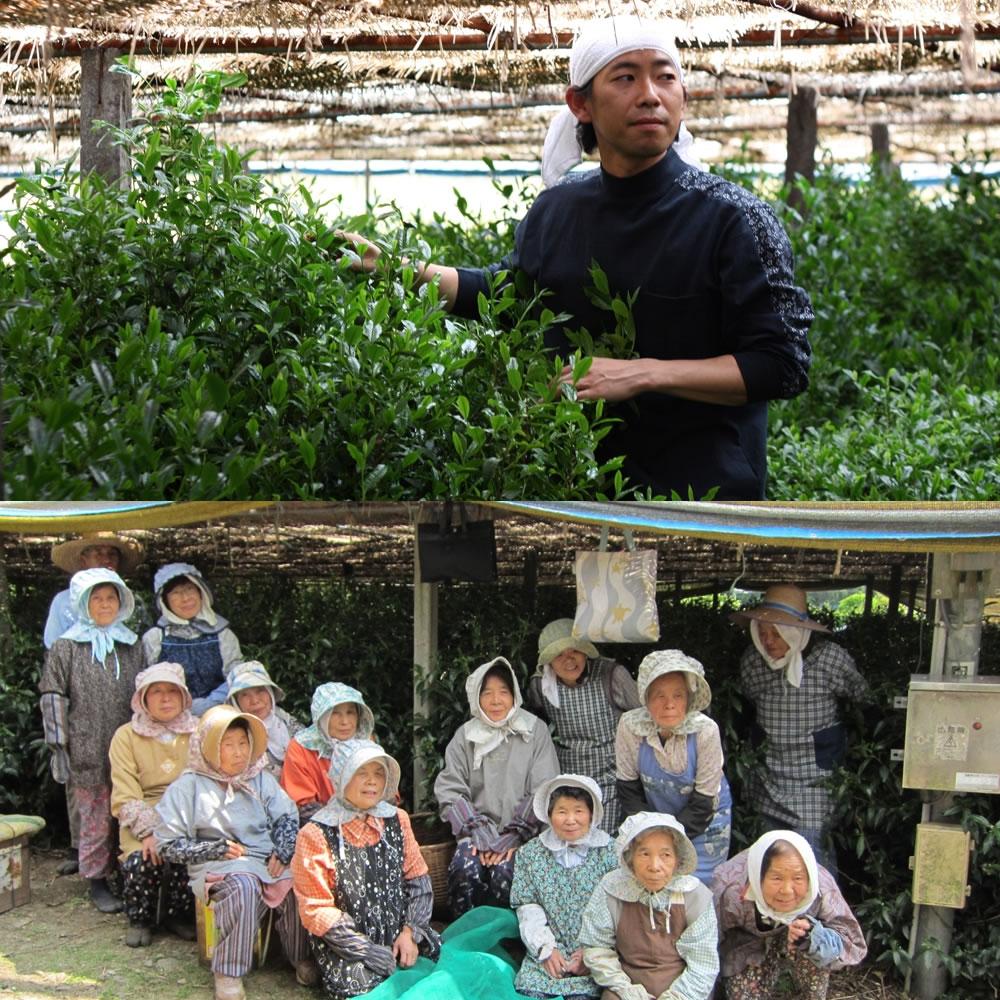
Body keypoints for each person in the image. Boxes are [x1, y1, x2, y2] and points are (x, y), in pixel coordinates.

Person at [338, 15, 812, 499]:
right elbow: (511, 293)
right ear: (580, 103)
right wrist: (391, 269)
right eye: (626, 77)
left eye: (665, 76)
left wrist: (641, 373)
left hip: (704, 502)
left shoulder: (736, 219)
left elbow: (782, 364)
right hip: (579, 492)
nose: (650, 94)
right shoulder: (558, 208)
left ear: (683, 97)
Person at [154, 704, 314, 1000]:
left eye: (243, 743)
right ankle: (228, 972)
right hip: (217, 863)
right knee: (243, 886)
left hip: (264, 858)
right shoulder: (188, 786)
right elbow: (168, 845)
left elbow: (286, 816)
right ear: (210, 747)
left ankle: (300, 957)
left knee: (297, 881)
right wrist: (214, 848)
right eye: (229, 744)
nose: (239, 752)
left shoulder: (260, 778)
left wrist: (283, 848)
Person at [731, 584, 870, 873]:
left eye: (777, 632)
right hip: (769, 775)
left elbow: (863, 697)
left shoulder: (829, 659)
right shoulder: (753, 663)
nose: (768, 641)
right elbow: (747, 702)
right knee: (770, 858)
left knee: (812, 857)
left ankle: (821, 916)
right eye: (763, 633)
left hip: (815, 777)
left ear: (796, 632)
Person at [291, 740, 442, 998]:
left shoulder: (397, 820)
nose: (372, 781)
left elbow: (418, 880)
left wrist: (410, 933)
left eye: (378, 773)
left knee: (433, 968)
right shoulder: (315, 834)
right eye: (362, 773)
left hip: (398, 931)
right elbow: (317, 910)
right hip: (347, 944)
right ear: (341, 778)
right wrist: (367, 950)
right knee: (360, 985)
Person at [38, 567, 148, 913]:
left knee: (127, 810)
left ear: (121, 602)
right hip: (86, 743)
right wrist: (59, 745)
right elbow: (53, 695)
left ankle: (126, 872)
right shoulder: (66, 646)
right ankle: (96, 880)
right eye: (96, 598)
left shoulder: (132, 644)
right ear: (84, 603)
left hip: (129, 744)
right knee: (96, 814)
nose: (104, 604)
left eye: (110, 597)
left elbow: (146, 691)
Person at [434, 656, 560, 916]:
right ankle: (466, 942)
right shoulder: (466, 735)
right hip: (476, 833)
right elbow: (451, 790)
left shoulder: (534, 731)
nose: (496, 700)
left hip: (525, 835)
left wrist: (513, 836)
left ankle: (509, 944)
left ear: (514, 695)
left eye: (504, 692)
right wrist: (480, 834)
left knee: (507, 870)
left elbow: (544, 788)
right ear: (476, 697)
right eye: (487, 693)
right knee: (464, 867)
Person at [615, 649, 731, 882]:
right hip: (651, 820)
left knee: (697, 890)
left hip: (704, 823)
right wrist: (652, 834)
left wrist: (670, 838)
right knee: (652, 883)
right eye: (659, 696)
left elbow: (703, 801)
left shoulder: (705, 730)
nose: (669, 704)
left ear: (689, 699)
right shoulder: (630, 726)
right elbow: (629, 789)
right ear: (646, 698)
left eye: (678, 695)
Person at [579, 811, 719, 1000]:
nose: (654, 866)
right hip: (626, 987)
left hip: (684, 991)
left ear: (678, 859)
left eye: (665, 855)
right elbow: (597, 947)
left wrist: (676, 996)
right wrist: (626, 989)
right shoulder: (612, 889)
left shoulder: (694, 895)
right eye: (644, 853)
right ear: (630, 857)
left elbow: (702, 963)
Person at [712, 830, 867, 1000]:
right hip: (747, 947)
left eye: (798, 878)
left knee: (811, 938)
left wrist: (813, 937)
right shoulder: (729, 888)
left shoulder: (821, 888)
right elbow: (706, 945)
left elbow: (852, 943)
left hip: (801, 951)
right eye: (777, 878)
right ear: (759, 876)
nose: (786, 891)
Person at [109, 661, 198, 946]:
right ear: (143, 698)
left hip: (188, 813)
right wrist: (149, 832)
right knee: (142, 859)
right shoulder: (126, 736)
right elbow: (125, 792)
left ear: (183, 696)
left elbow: (206, 780)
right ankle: (141, 918)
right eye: (156, 691)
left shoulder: (199, 731)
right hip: (143, 813)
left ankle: (179, 915)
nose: (165, 698)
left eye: (172, 691)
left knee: (193, 854)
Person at [525, 620, 640, 833]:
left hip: (611, 780)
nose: (569, 660)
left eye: (575, 651)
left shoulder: (612, 675)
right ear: (548, 661)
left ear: (586, 652)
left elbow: (644, 717)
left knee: (601, 845)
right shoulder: (540, 686)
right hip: (565, 783)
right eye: (559, 655)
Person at [509, 774, 617, 999]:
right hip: (548, 953)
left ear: (592, 814)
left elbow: (619, 910)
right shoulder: (530, 854)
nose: (570, 819)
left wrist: (593, 952)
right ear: (549, 815)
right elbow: (527, 906)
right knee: (533, 991)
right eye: (561, 811)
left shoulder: (611, 852)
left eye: (578, 811)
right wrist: (545, 950)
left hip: (597, 953)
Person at [142, 563, 243, 716]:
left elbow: (237, 677)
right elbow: (146, 684)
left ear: (201, 592)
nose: (185, 598)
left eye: (190, 589)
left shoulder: (223, 635)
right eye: (176, 593)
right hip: (169, 717)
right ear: (164, 601)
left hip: (218, 715)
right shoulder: (155, 638)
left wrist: (211, 702)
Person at [281, 683, 376, 822]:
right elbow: (303, 807)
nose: (345, 721)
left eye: (350, 712)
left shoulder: (367, 742)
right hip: (320, 828)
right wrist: (347, 825)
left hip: (369, 822)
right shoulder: (300, 748)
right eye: (335, 713)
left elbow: (386, 794)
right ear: (321, 716)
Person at [227, 661, 305, 782]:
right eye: (245, 695)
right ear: (236, 702)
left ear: (270, 693)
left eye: (260, 691)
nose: (255, 700)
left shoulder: (288, 723)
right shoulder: (237, 738)